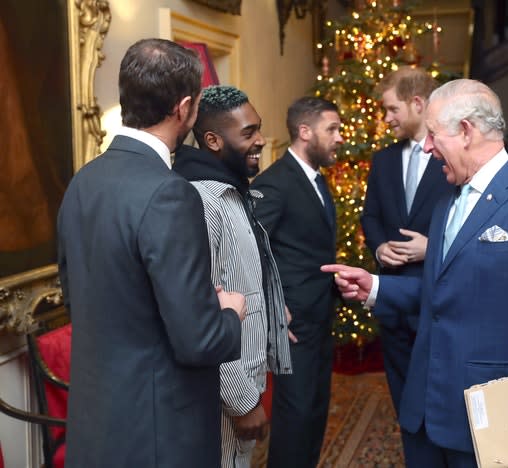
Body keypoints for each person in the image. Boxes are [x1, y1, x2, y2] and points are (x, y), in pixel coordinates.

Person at [323, 79, 508, 468]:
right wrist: (375, 287)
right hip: (426, 407)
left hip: (492, 414)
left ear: (466, 131)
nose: (427, 147)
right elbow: (442, 292)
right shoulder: (448, 203)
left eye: (433, 135)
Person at [57, 38, 245, 468]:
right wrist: (229, 312)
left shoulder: (82, 182)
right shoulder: (169, 193)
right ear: (184, 108)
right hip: (159, 433)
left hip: (98, 424)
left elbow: (84, 298)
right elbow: (200, 340)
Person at [172, 85, 292, 467]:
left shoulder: (232, 191)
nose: (260, 141)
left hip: (247, 380)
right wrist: (242, 402)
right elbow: (201, 310)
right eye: (248, 133)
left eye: (258, 129)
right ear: (212, 140)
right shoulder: (204, 200)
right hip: (223, 395)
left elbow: (241, 282)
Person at [250, 97, 343, 468]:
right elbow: (249, 247)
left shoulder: (316, 180)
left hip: (319, 317)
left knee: (314, 412)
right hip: (293, 324)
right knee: (295, 416)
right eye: (332, 129)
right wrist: (271, 306)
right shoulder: (276, 183)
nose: (339, 137)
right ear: (305, 132)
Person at [360, 67, 454, 421]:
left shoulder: (451, 155)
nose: (386, 119)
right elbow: (370, 216)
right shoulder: (383, 160)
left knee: (439, 393)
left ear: (417, 103)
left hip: (437, 295)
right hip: (392, 297)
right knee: (402, 392)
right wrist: (379, 246)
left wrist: (433, 247)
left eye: (391, 109)